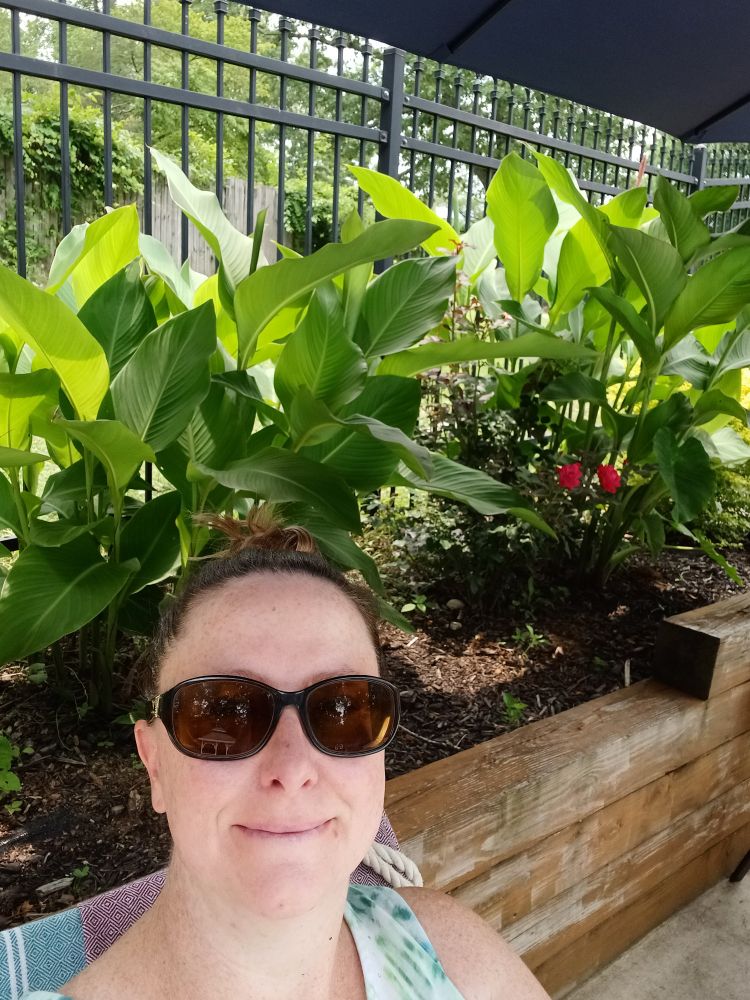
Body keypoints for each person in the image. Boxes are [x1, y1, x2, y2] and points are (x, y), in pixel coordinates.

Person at [23, 509, 551, 1000]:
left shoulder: (451, 949)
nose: (293, 769)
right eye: (224, 714)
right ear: (154, 763)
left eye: (342, 709)